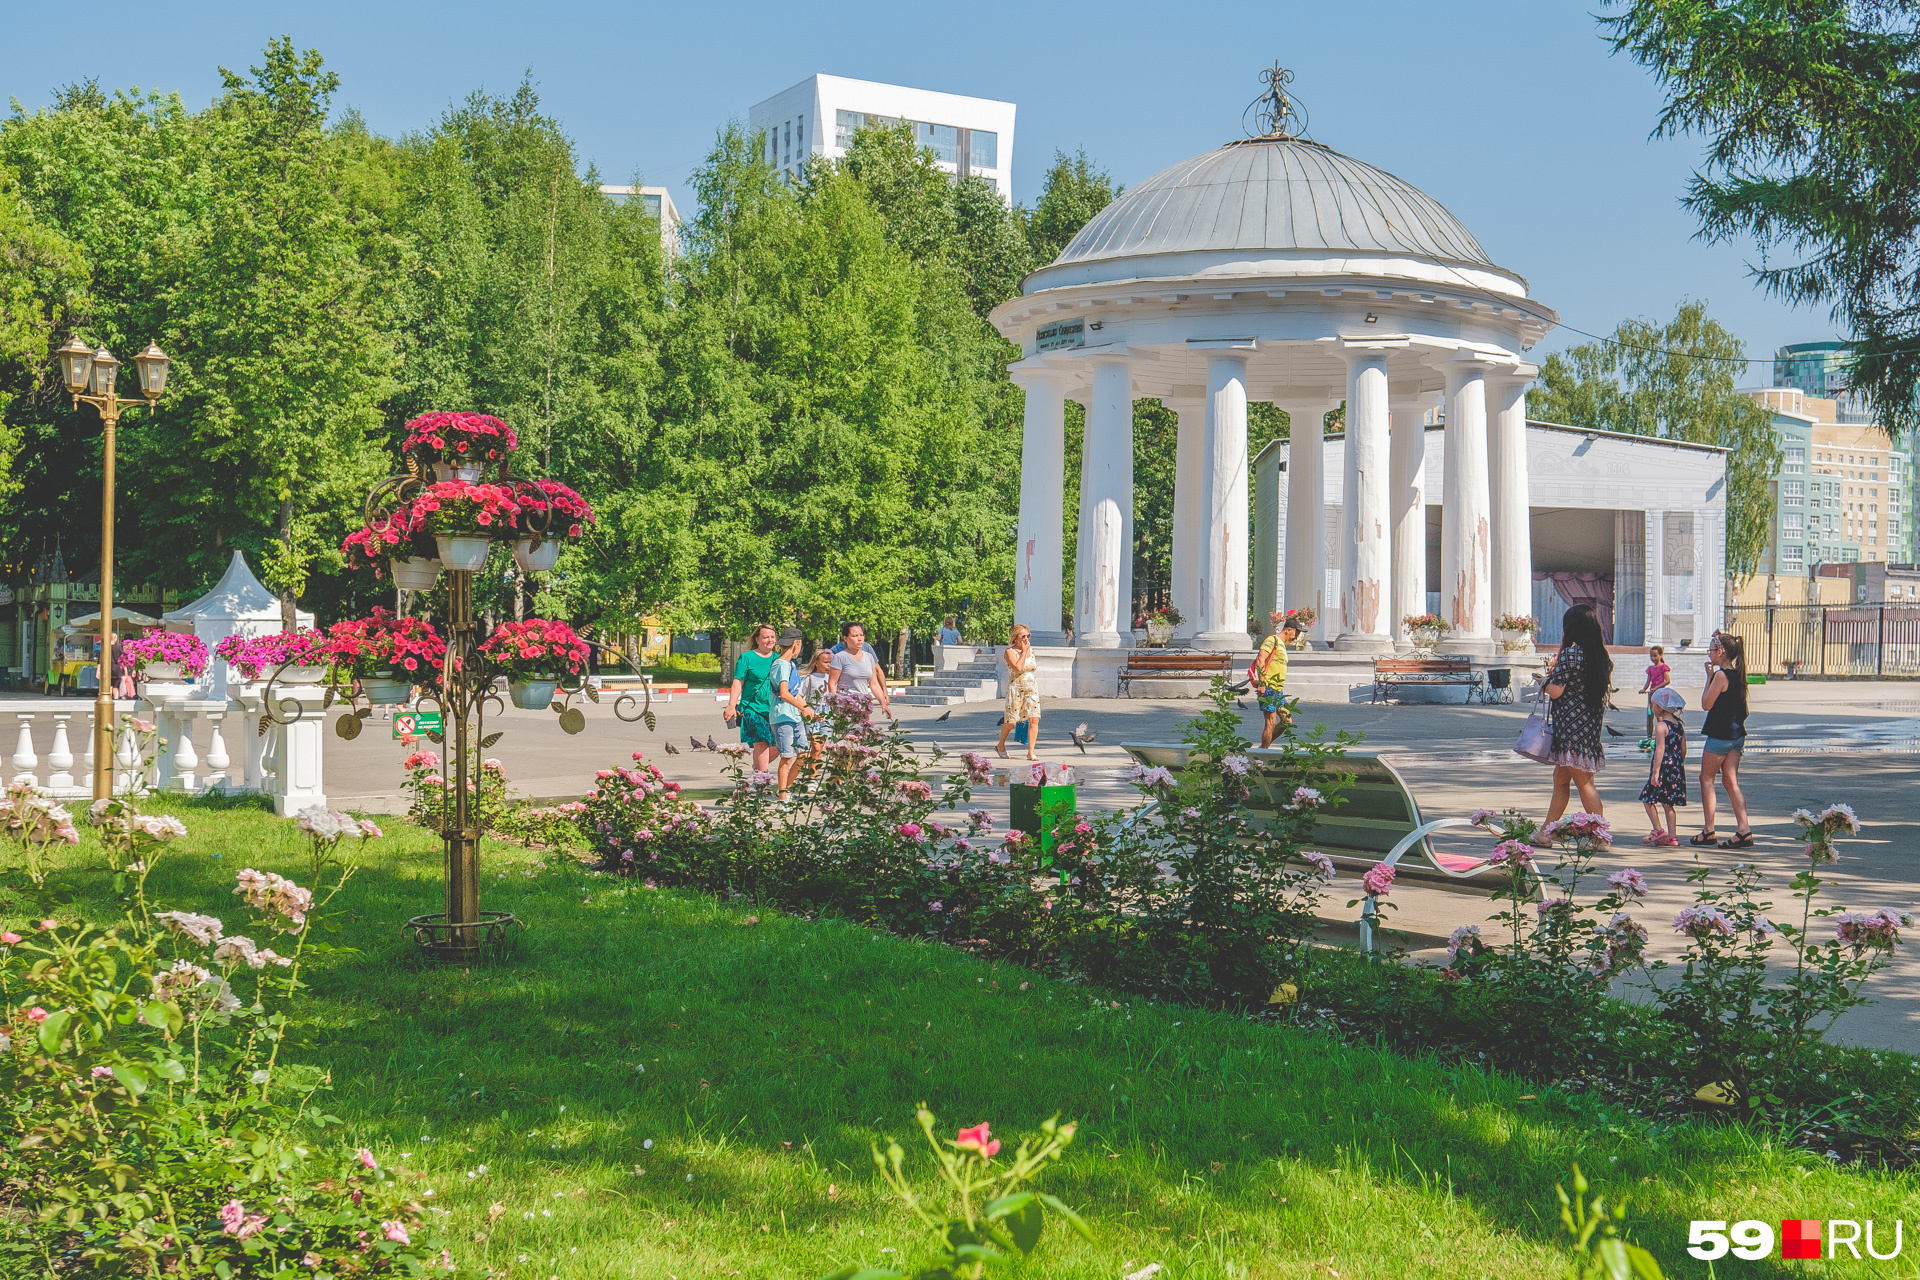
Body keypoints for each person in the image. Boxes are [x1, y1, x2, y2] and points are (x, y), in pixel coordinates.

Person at [1539, 603, 1613, 837]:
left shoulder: (1570, 654)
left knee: (1584, 783)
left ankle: (1601, 835)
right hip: (1589, 727)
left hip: (1570, 728)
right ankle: (1546, 831)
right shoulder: (1600, 657)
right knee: (1561, 780)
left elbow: (1556, 691)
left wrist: (1543, 680)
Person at [1695, 632, 1754, 848]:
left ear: (1721, 652)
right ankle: (1743, 829)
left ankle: (1709, 830)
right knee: (1730, 781)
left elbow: (1706, 704)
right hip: (1737, 736)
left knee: (1706, 779)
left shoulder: (1721, 676)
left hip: (1720, 736)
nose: (1709, 654)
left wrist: (1708, 677)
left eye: (1711, 650)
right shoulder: (1739, 674)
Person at [723, 624, 779, 773]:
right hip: (753, 708)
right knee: (761, 743)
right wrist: (731, 706)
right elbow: (737, 682)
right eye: (766, 637)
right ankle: (762, 781)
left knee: (779, 745)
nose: (769, 640)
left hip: (774, 709)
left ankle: (758, 769)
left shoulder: (779, 659)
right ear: (757, 639)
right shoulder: (747, 657)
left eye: (772, 637)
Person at [768, 627, 813, 801]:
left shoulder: (790, 665)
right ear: (797, 644)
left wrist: (809, 709)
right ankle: (782, 798)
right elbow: (784, 693)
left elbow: (795, 694)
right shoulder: (780, 665)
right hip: (782, 716)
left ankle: (785, 789)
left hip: (794, 716)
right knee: (787, 757)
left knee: (803, 754)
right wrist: (804, 709)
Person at [1639, 686, 1687, 847]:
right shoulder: (1679, 725)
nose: (1652, 708)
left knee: (1647, 798)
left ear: (1660, 707)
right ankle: (1672, 836)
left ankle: (1658, 829)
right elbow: (1683, 749)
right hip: (1676, 768)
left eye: (1653, 705)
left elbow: (1659, 749)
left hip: (1663, 768)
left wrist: (1655, 772)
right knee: (1668, 803)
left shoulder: (1661, 727)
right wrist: (1678, 766)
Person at [1253, 613, 1300, 748]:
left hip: (1278, 689)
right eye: (1296, 632)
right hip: (1268, 687)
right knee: (1270, 723)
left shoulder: (1282, 645)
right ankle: (1262, 755)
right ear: (1288, 629)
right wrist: (1262, 683)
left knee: (1287, 720)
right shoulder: (1271, 640)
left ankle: (1263, 748)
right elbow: (1260, 659)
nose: (1297, 637)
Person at [828, 621, 891, 717]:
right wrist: (836, 705)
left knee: (862, 731)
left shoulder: (869, 657)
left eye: (861, 635)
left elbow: (873, 684)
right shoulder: (839, 657)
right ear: (845, 638)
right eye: (855, 636)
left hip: (863, 706)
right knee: (849, 732)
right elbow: (832, 683)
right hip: (845, 707)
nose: (859, 639)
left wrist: (883, 703)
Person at [996, 623, 1040, 760]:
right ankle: (1000, 745)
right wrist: (1024, 653)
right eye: (1023, 636)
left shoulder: (1031, 650)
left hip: (1031, 689)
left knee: (1034, 719)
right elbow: (1018, 668)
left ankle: (1030, 752)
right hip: (1016, 690)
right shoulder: (1010, 652)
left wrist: (1027, 651)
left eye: (1028, 636)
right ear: (1016, 638)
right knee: (1011, 722)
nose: (1026, 639)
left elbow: (1032, 667)